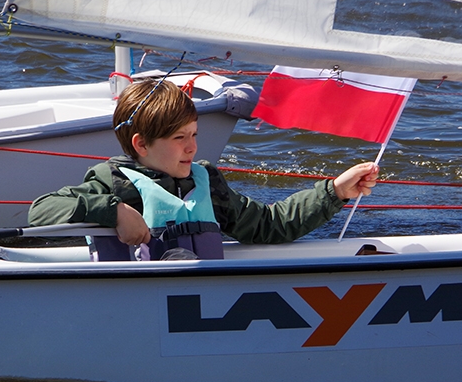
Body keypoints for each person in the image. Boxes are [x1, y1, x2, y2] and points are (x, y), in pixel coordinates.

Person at [28, 77, 380, 260]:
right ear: (141, 144)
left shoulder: (206, 180)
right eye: (179, 138)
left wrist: (334, 191)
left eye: (194, 135)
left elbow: (269, 226)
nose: (193, 147)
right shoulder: (113, 182)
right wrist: (114, 210)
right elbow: (40, 211)